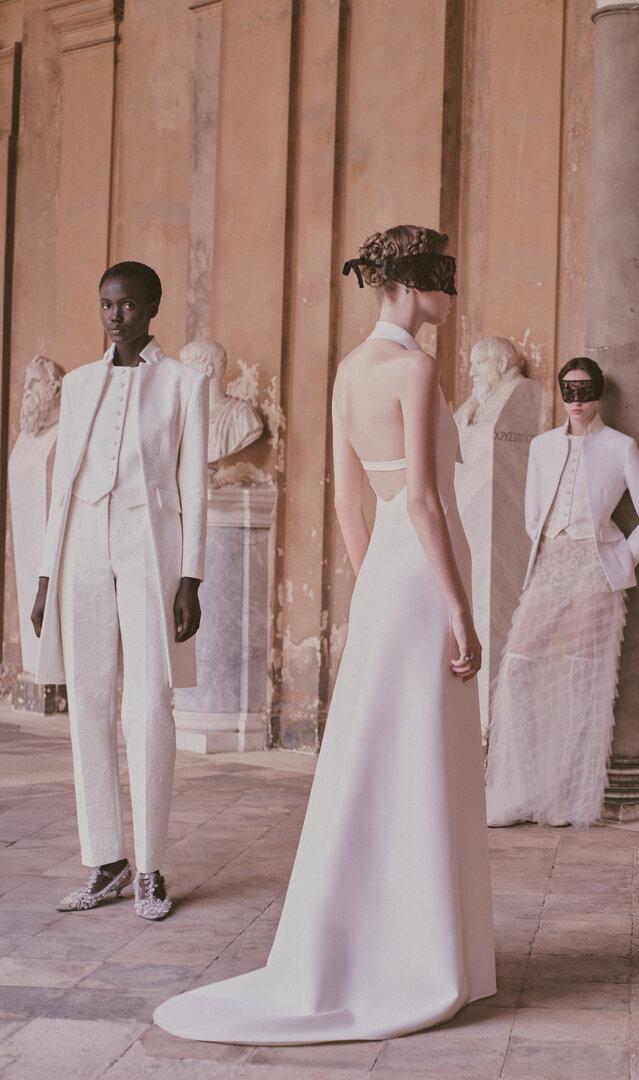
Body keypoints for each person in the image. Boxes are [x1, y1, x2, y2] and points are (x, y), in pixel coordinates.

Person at [154, 225, 496, 1044]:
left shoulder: (348, 370)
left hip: (385, 577)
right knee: (421, 754)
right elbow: (423, 500)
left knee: (380, 755)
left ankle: (380, 948)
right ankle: (420, 957)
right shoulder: (414, 368)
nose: (451, 294)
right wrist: (457, 607)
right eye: (442, 279)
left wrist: (374, 589)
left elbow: (349, 501)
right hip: (423, 573)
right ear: (410, 285)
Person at [31, 261, 208, 921]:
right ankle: (106, 861)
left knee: (150, 703)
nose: (115, 316)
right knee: (88, 702)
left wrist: (191, 576)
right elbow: (62, 486)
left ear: (152, 307)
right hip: (81, 546)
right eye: (107, 304)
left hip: (147, 547)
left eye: (128, 305)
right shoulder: (78, 384)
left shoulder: (184, 383)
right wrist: (45, 576)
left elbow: (195, 485)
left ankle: (152, 868)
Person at [485, 358, 639, 826]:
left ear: (599, 393)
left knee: (581, 677)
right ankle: (522, 789)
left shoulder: (621, 447)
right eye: (569, 392)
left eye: (585, 392)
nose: (577, 401)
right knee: (517, 668)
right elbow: (533, 516)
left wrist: (618, 561)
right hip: (550, 565)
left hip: (595, 569)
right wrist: (554, 546)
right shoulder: (542, 446)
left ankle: (564, 796)